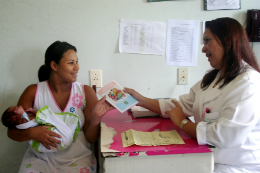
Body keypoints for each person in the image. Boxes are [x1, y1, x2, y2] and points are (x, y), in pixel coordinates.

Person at [124, 17, 260, 173]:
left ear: (227, 41)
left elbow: (225, 136)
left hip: (237, 166)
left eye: (207, 41)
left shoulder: (249, 83)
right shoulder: (213, 78)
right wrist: (140, 99)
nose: (203, 49)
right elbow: (179, 106)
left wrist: (182, 122)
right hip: (208, 157)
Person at [7, 41, 113, 173]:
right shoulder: (33, 91)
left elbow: (91, 138)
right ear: (54, 65)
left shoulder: (85, 91)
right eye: (71, 63)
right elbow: (12, 132)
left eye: (77, 62)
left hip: (77, 160)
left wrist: (96, 119)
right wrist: (32, 132)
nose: (77, 67)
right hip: (40, 160)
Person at [2, 105, 81, 153]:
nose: (20, 106)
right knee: (59, 135)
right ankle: (64, 136)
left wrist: (33, 112)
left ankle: (66, 135)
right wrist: (23, 113)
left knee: (60, 129)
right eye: (17, 108)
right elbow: (28, 122)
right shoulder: (22, 122)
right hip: (50, 135)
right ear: (15, 117)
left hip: (55, 133)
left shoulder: (26, 118)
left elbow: (40, 118)